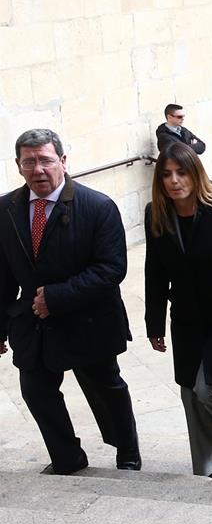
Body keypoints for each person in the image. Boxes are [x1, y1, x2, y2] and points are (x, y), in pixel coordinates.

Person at [0, 128, 141, 475]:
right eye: (29, 162)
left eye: (46, 160)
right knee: (36, 391)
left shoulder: (98, 207)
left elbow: (111, 269)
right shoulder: (6, 209)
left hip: (88, 321)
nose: (38, 169)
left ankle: (127, 451)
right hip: (34, 325)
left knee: (106, 388)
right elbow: (2, 274)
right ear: (18, 166)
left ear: (62, 161)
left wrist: (58, 297)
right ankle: (68, 457)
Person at [144, 143, 212, 477]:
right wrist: (154, 322)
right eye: (166, 175)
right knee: (191, 393)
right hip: (186, 319)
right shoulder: (156, 214)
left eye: (181, 172)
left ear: (195, 173)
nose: (174, 181)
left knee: (210, 387)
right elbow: (154, 272)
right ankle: (211, 463)